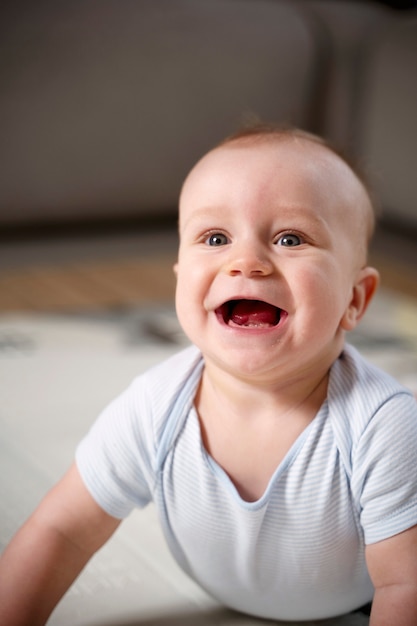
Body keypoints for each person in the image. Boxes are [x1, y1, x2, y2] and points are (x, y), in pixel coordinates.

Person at [1, 124, 417, 626]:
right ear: (180, 278)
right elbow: (62, 529)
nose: (246, 262)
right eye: (215, 237)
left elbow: (403, 583)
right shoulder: (154, 407)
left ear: (355, 299)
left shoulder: (384, 427)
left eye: (290, 238)